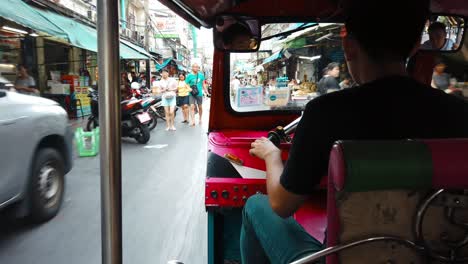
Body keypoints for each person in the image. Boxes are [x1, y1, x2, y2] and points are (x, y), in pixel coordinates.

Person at [241, 0, 468, 263]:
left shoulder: (325, 112)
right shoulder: (459, 113)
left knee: (255, 206)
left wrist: (271, 155)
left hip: (346, 258)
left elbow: (282, 204)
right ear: (417, 44)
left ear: (348, 46)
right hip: (435, 255)